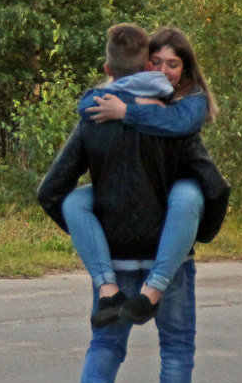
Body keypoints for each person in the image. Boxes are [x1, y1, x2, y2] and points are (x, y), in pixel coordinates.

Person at [37, 23, 229, 383]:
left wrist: (93, 236)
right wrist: (202, 233)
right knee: (177, 348)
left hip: (116, 256)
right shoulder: (174, 120)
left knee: (106, 341)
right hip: (169, 255)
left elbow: (51, 191)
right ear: (148, 66)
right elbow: (213, 185)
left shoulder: (95, 118)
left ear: (108, 69)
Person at [62, 26, 220, 327]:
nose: (162, 70)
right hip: (137, 195)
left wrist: (126, 112)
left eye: (172, 64)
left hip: (174, 189)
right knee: (74, 202)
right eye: (156, 62)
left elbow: (178, 123)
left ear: (186, 68)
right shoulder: (141, 92)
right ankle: (108, 289)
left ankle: (153, 290)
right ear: (146, 64)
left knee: (186, 196)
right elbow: (86, 105)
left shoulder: (192, 100)